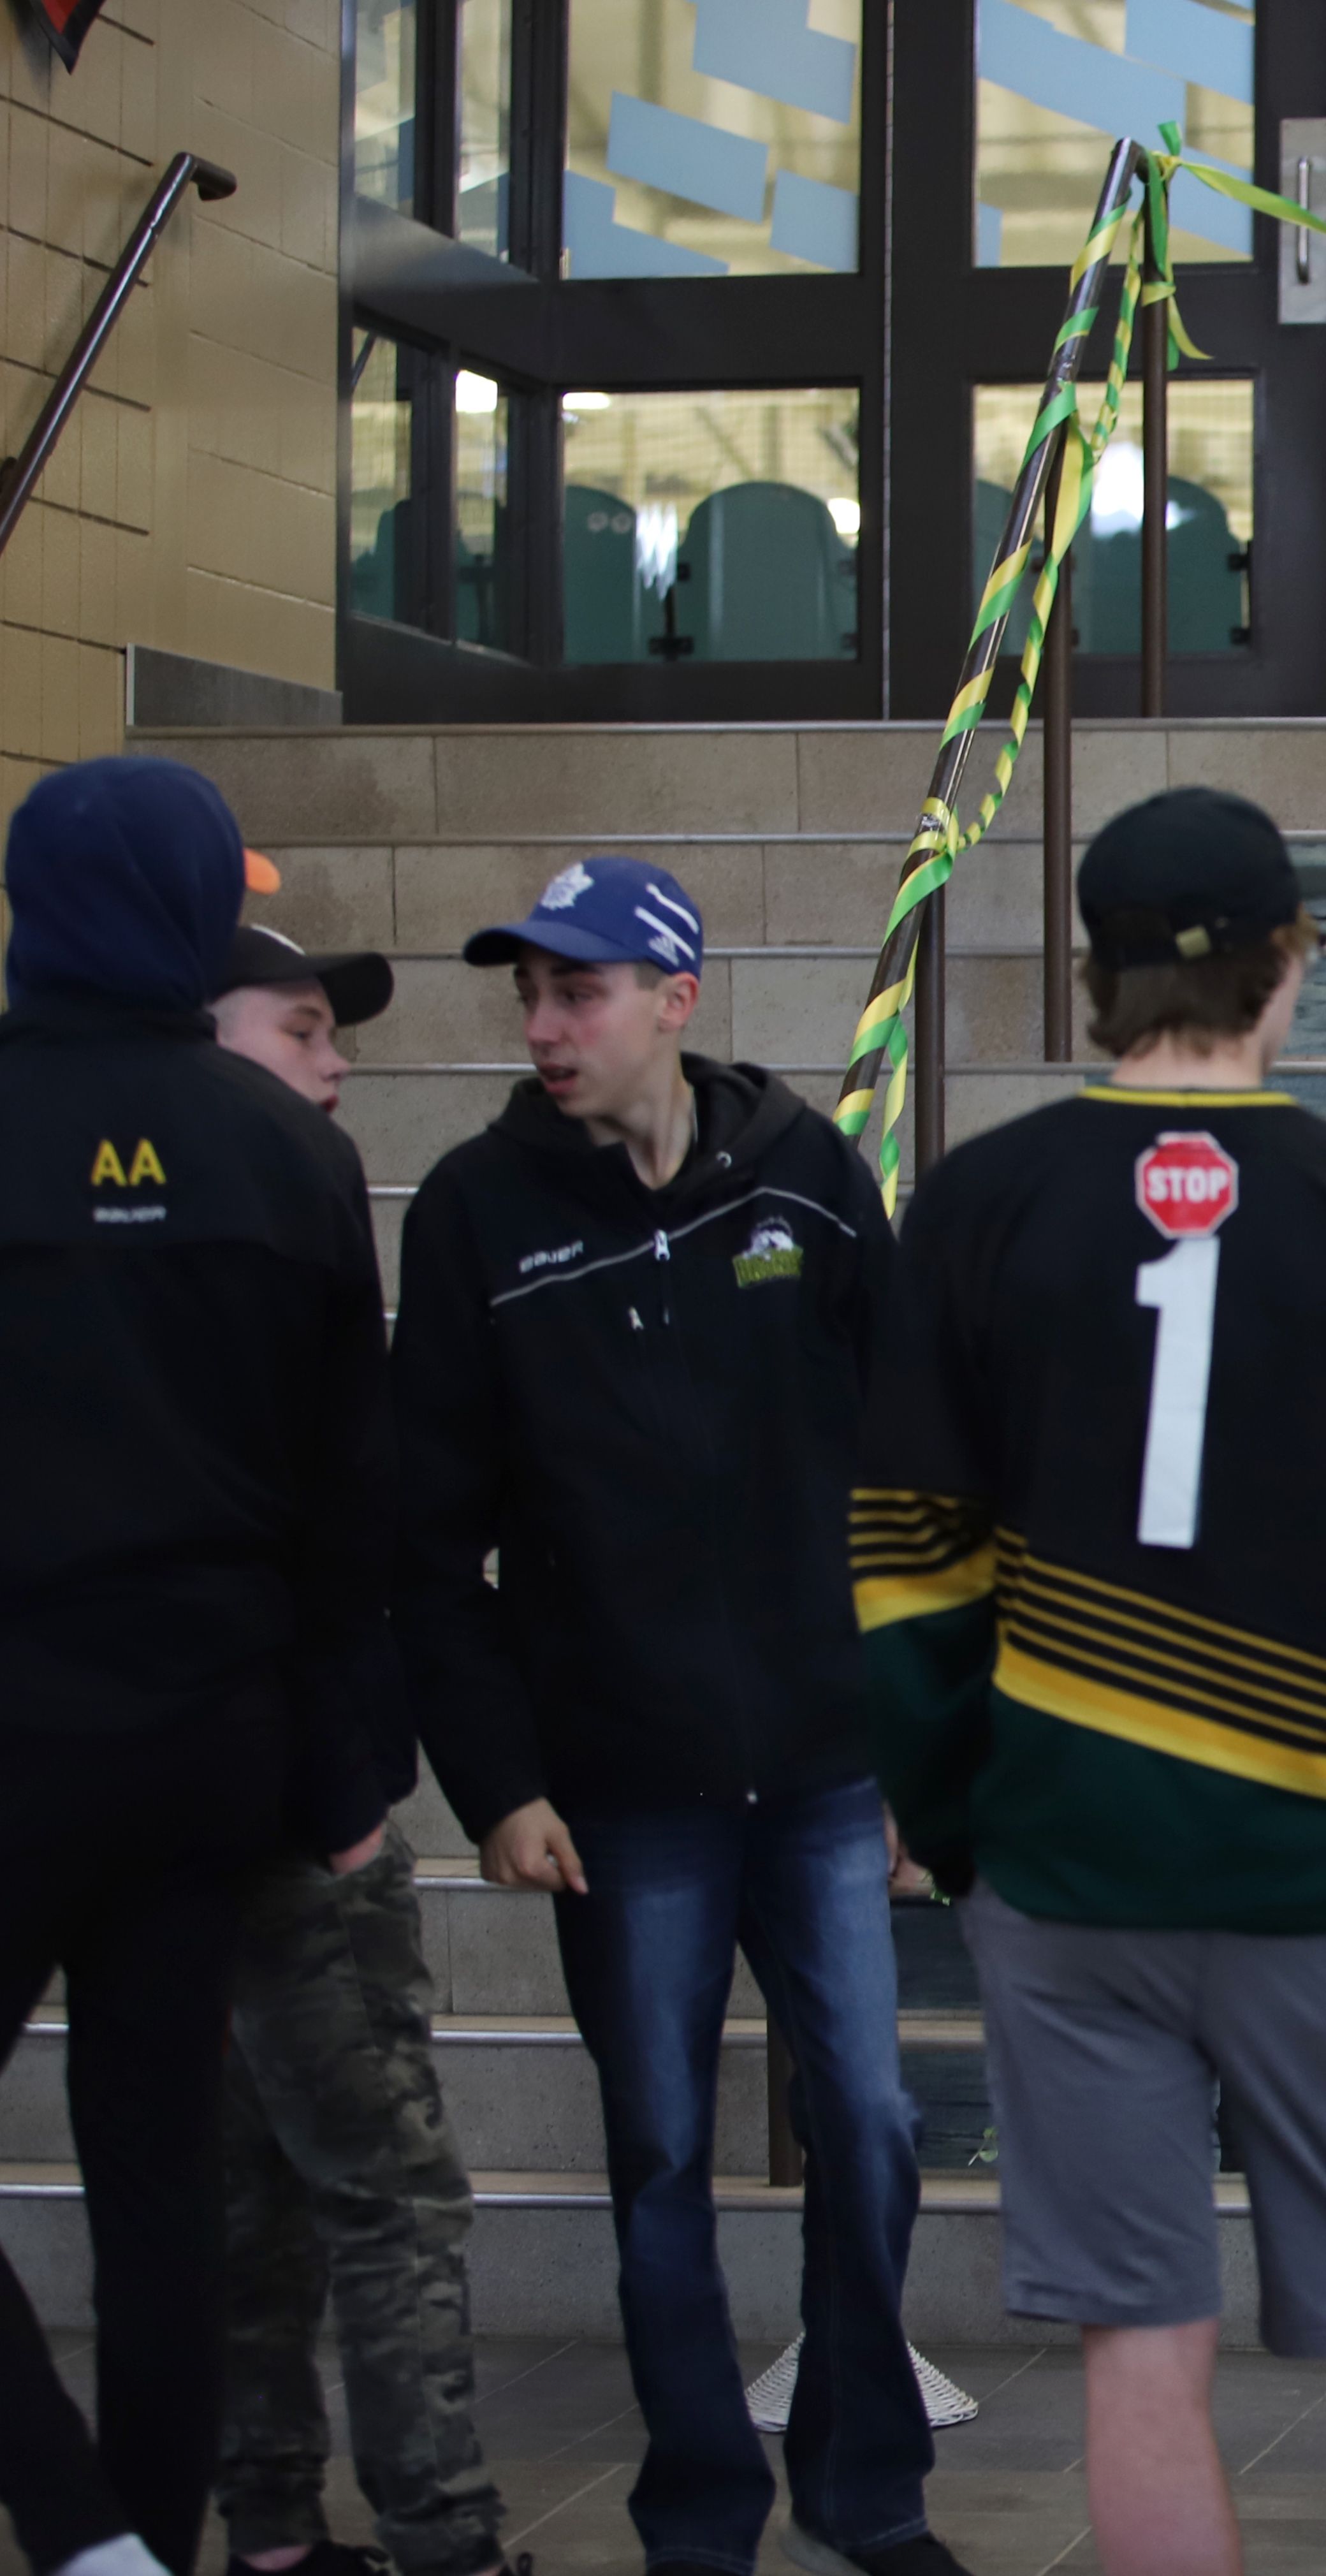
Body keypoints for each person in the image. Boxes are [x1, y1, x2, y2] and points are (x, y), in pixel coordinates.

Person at [855, 787, 1326, 2576]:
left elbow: (909, 1576)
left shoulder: (980, 1207)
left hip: (1071, 1869)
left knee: (1139, 2357)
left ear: (1094, 976)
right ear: (1288, 961)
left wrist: (954, 1822)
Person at [391, 856, 966, 2576]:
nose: (545, 1026)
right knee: (657, 2160)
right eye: (529, 996)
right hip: (618, 1787)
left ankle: (866, 2493)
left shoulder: (804, 1177)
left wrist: (926, 1759)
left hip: (818, 1768)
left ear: (673, 1002)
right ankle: (698, 2516)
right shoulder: (477, 1211)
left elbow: (920, 1470)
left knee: (867, 2126)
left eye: (579, 993)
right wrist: (494, 1785)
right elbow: (427, 1537)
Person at [0, 761, 402, 2576]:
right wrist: (348, 1768)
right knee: (156, 2170)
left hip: (15, 1727)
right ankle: (147, 2538)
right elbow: (348, 1500)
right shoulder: (292, 1155)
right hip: (214, 1743)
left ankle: (78, 2531)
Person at [201, 924, 525, 2576]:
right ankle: (442, 2539)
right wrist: (341, 1800)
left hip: (197, 1803)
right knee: (386, 2196)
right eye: (305, 1030)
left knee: (249, 2205)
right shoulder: (262, 1231)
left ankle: (268, 2527)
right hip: (288, 1805)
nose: (338, 1069)